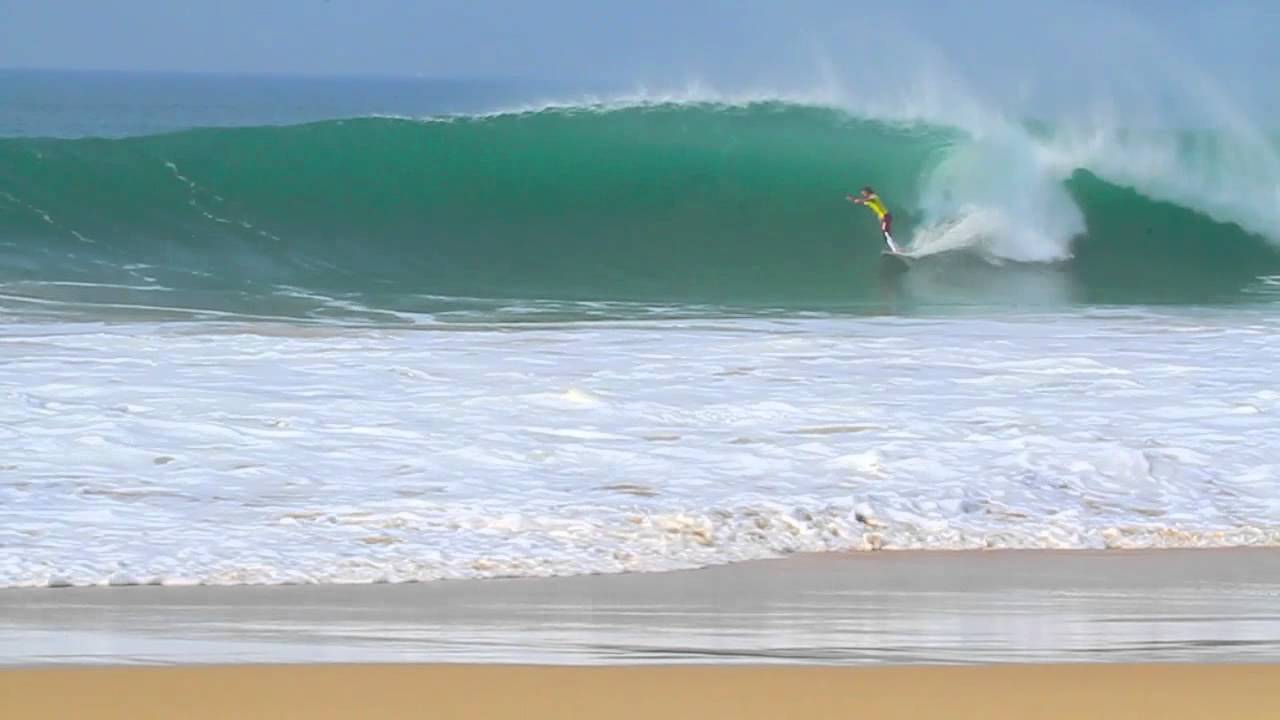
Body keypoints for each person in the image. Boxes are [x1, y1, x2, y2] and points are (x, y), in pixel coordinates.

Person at [846, 186, 897, 251]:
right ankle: (897, 248)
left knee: (886, 233)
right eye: (862, 194)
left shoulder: (874, 196)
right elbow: (861, 201)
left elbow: (868, 199)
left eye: (864, 193)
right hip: (884, 218)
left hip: (886, 216)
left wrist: (859, 199)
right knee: (886, 235)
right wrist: (853, 199)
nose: (863, 195)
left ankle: (895, 250)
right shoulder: (869, 201)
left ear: (867, 192)